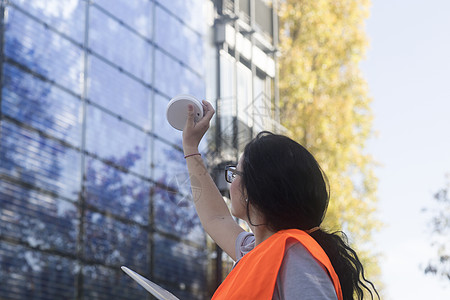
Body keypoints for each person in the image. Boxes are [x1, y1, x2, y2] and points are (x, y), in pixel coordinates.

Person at [182, 100, 379, 300]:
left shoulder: (293, 254)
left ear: (255, 187)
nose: (230, 184)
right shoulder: (258, 252)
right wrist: (190, 148)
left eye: (235, 174)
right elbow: (215, 218)